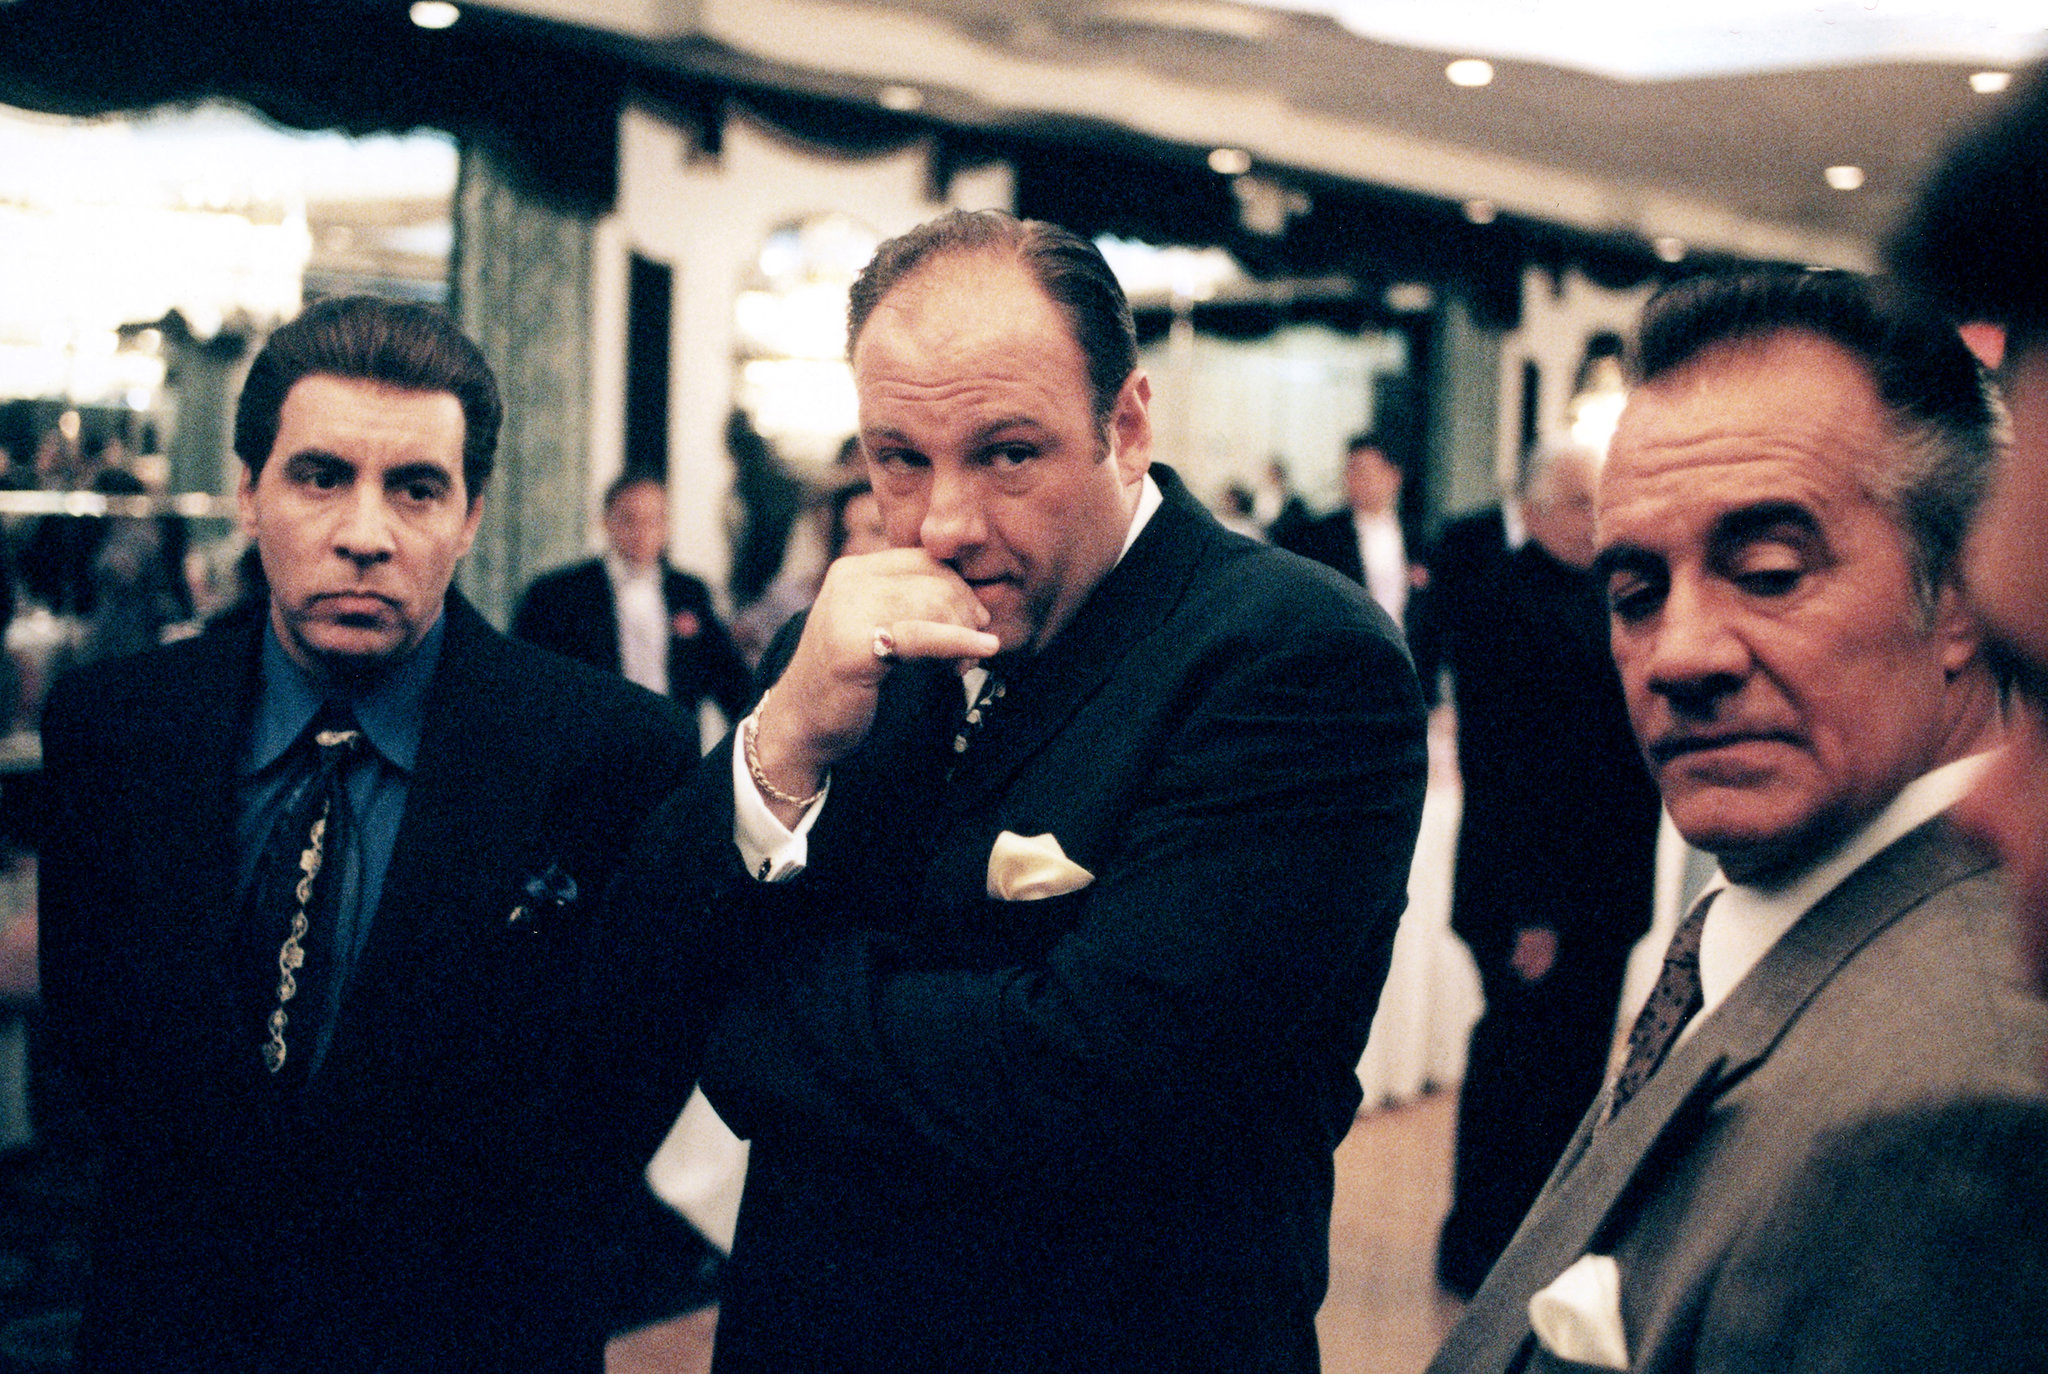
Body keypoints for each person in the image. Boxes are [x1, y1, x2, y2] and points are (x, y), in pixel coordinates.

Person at [606, 209, 1429, 1372]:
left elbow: (1095, 1085)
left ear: (1123, 426)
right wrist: (782, 739)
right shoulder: (843, 641)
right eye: (899, 458)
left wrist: (747, 1012)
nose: (944, 524)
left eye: (1005, 454)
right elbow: (632, 981)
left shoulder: (1292, 653)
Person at [36, 296, 696, 1374]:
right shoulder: (116, 728)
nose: (365, 534)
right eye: (320, 476)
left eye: (416, 488)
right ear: (248, 493)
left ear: (470, 516)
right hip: (167, 1331)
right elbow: (84, 1065)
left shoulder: (611, 754)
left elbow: (617, 1109)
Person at [1425, 268, 2048, 1374]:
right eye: (1634, 596)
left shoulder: (1957, 1106)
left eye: (1766, 572)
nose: (1678, 656)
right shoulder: (1771, 922)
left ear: (1962, 594)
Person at [1426, 440, 1663, 1299]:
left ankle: (1542, 1246)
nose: (1595, 521)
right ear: (1532, 510)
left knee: (1572, 1074)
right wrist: (1531, 910)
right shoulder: (1501, 598)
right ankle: (1484, 1247)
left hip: (1602, 888)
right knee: (1517, 1070)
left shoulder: (1606, 591)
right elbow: (1505, 769)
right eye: (1578, 503)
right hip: (1534, 897)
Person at [513, 472, 755, 756]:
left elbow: (728, 678)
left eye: (654, 520)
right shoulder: (558, 593)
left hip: (671, 752)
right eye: (629, 519)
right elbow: (531, 682)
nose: (642, 532)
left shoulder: (688, 592)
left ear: (666, 525)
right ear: (606, 521)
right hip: (590, 753)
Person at [1275, 429, 1418, 627]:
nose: (1354, 480)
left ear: (1393, 476)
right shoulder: (1323, 535)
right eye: (1350, 471)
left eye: (1364, 471)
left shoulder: (1416, 533)